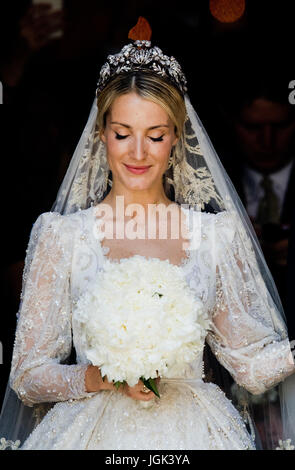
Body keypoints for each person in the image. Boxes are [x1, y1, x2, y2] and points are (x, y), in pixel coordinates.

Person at [0, 18, 294, 450]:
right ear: (101, 135)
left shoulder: (215, 236)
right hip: (90, 434)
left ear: (176, 138)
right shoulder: (61, 237)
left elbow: (250, 366)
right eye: (123, 134)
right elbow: (27, 376)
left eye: (155, 136)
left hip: (196, 434)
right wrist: (99, 377)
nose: (138, 153)